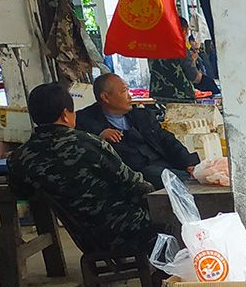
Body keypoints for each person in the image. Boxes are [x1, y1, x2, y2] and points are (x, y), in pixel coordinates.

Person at [8, 82, 159, 258]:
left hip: (86, 240)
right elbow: (135, 185)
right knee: (178, 219)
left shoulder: (19, 157)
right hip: (129, 229)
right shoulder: (88, 143)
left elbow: (20, 192)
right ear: (66, 114)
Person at [76, 72, 200, 184]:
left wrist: (187, 162)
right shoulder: (85, 121)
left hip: (163, 165)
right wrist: (98, 138)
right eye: (124, 91)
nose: (130, 96)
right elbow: (80, 150)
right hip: (134, 177)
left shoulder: (142, 115)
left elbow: (167, 139)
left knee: (198, 173)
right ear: (105, 97)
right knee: (169, 178)